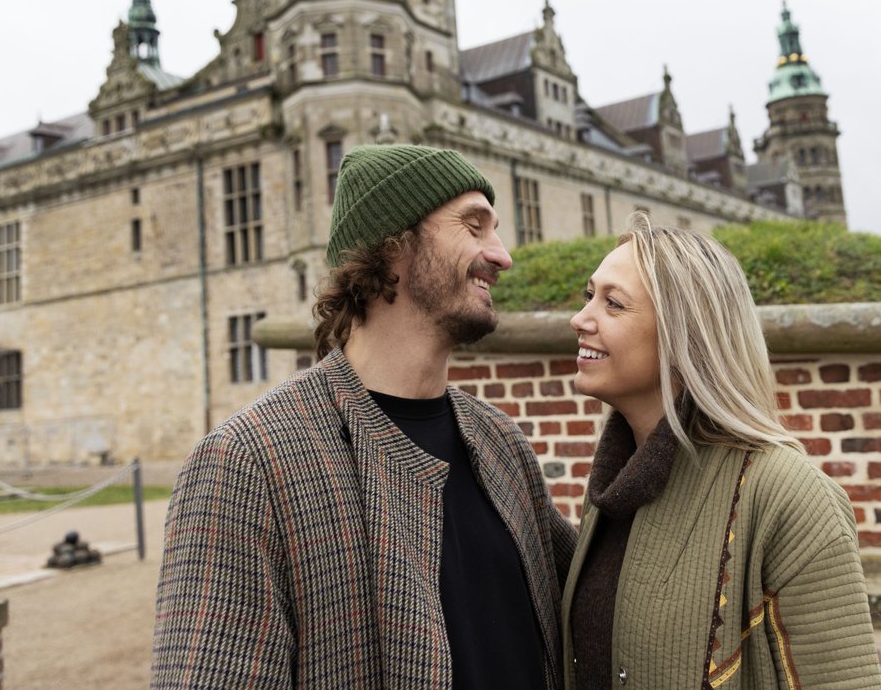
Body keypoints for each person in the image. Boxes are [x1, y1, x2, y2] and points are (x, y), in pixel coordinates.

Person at [152, 144, 576, 690]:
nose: (502, 256)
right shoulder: (248, 462)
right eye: (474, 227)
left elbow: (600, 594)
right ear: (393, 243)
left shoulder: (500, 442)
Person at [563, 216, 881, 690]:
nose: (580, 318)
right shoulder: (611, 492)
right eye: (589, 295)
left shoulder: (791, 496)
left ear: (685, 333)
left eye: (613, 303)